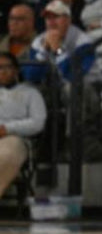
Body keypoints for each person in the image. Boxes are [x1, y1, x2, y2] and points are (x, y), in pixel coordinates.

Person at [0, 52, 47, 198]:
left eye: (6, 67)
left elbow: (38, 122)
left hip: (15, 138)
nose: (2, 71)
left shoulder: (30, 93)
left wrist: (8, 128)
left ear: (16, 70)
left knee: (6, 153)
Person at [31, 0, 95, 81]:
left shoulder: (84, 42)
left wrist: (58, 50)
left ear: (68, 19)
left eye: (55, 17)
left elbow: (73, 76)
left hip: (88, 87)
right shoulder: (38, 41)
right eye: (48, 18)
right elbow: (31, 77)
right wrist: (44, 51)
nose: (51, 22)